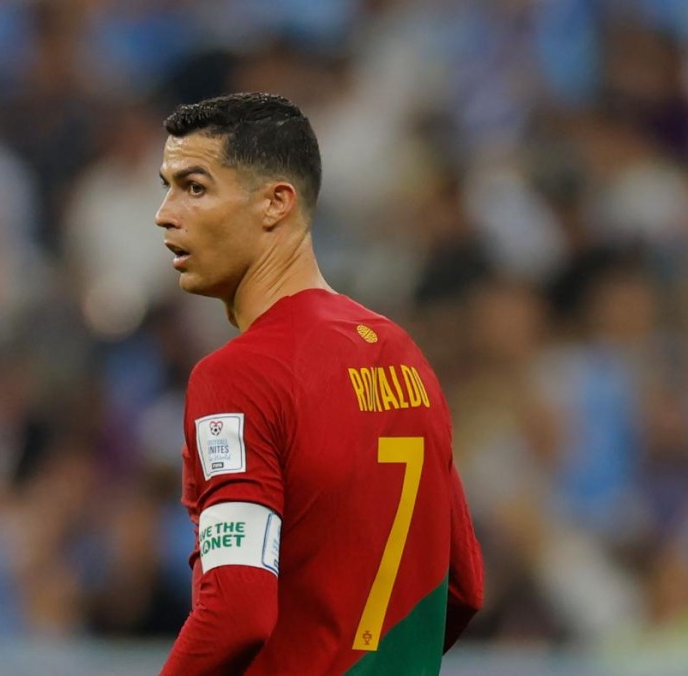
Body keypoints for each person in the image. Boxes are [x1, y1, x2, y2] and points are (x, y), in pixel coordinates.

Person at [154, 92, 484, 675]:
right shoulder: (404, 356)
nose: (165, 213)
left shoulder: (239, 376)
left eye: (195, 187)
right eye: (168, 186)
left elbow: (236, 608)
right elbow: (463, 586)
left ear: (276, 203)